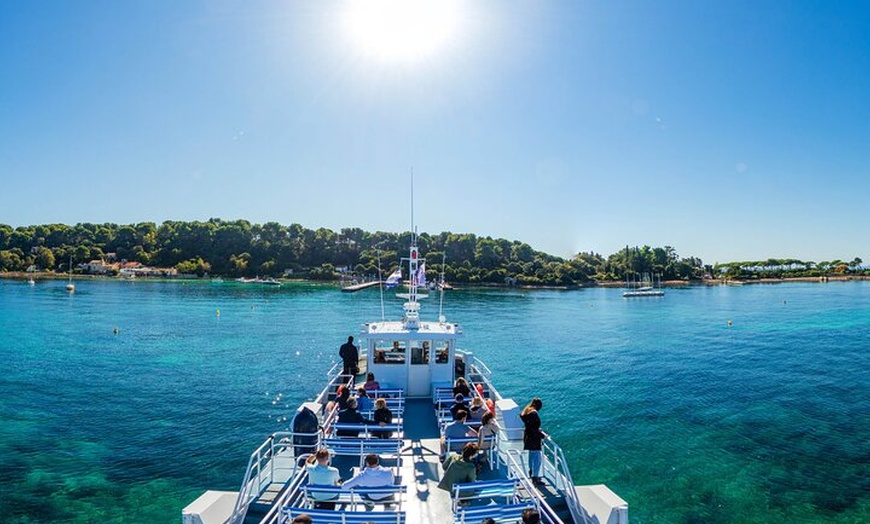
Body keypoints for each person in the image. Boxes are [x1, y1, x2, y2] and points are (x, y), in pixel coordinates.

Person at [520, 397, 548, 486]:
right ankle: (535, 478)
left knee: (531, 456)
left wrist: (536, 429)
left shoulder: (527, 411)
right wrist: (543, 435)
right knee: (537, 459)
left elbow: (531, 426)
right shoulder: (534, 414)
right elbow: (534, 429)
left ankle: (531, 472)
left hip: (528, 437)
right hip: (534, 439)